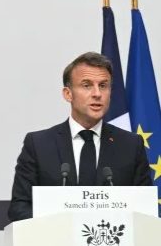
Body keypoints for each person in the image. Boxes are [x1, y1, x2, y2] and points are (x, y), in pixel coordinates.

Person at [8, 52, 151, 221]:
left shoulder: (131, 145)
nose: (97, 93)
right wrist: (62, 225)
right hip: (56, 237)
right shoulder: (38, 145)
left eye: (103, 85)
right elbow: (19, 208)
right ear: (68, 94)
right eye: (87, 85)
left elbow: (145, 209)